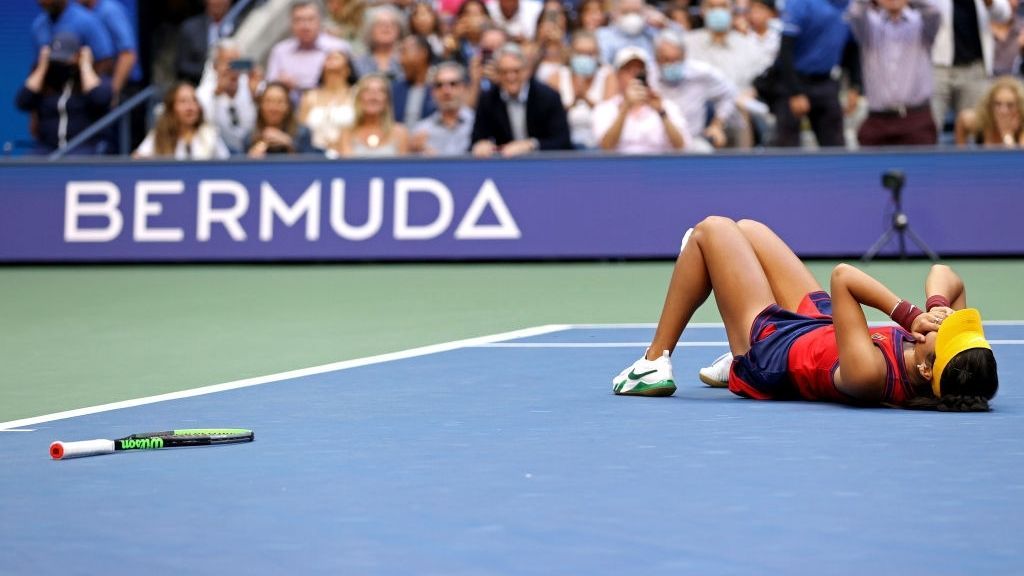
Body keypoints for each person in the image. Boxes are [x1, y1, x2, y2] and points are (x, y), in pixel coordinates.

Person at [611, 216, 998, 413]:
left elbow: (844, 277)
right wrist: (937, 306)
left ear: (929, 369)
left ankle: (653, 363)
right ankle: (705, 269)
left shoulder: (870, 374)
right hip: (822, 328)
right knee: (750, 229)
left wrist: (909, 314)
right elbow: (947, 276)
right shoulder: (939, 362)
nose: (945, 328)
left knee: (712, 230)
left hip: (774, 350)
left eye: (947, 335)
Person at [846, 0, 942, 146]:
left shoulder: (920, 25)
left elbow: (934, 11)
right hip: (877, 119)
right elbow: (855, 12)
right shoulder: (870, 26)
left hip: (916, 118)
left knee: (922, 167)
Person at [16, 33, 112, 155]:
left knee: (73, 163)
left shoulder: (93, 79)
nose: (61, 64)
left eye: (65, 59)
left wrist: (85, 66)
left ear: (78, 56)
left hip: (85, 146)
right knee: (26, 165)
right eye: (57, 59)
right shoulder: (45, 83)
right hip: (48, 147)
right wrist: (42, 66)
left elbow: (101, 99)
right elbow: (22, 102)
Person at [470, 42, 573, 156]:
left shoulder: (548, 97)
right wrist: (482, 144)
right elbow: (477, 139)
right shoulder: (488, 99)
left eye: (516, 71)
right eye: (505, 72)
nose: (511, 77)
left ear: (526, 71)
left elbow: (563, 141)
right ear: (497, 74)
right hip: (504, 166)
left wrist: (532, 145)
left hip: (542, 164)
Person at [592, 46, 689, 153]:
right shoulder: (605, 109)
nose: (635, 75)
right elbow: (606, 146)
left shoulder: (666, 106)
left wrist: (661, 112)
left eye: (640, 70)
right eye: (628, 70)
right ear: (618, 76)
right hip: (619, 167)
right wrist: (625, 107)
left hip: (658, 166)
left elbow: (681, 146)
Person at [266, 0, 352, 94]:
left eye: (310, 19)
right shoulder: (280, 51)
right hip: (290, 104)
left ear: (320, 21)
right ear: (291, 24)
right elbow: (270, 86)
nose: (305, 26)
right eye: (299, 20)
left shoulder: (338, 47)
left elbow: (352, 84)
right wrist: (280, 84)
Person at [134, 81, 230, 159]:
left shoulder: (210, 134)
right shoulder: (159, 135)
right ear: (171, 108)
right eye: (183, 101)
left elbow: (227, 164)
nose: (190, 107)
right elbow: (136, 159)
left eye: (194, 101)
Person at [195, 39, 260, 154]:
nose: (232, 69)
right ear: (215, 66)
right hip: (217, 155)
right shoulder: (204, 93)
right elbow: (200, 125)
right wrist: (216, 94)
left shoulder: (252, 85)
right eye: (227, 62)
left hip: (252, 152)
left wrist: (256, 97)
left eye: (236, 62)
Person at [336, 73, 409, 157]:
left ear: (387, 100)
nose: (373, 96)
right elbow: (344, 168)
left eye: (380, 91)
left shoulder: (400, 133)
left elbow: (404, 168)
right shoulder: (346, 133)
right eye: (367, 91)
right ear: (359, 98)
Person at [410, 61, 476, 155]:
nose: (446, 91)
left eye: (453, 84)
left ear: (463, 88)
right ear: (432, 92)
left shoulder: (479, 124)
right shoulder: (421, 130)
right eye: (439, 85)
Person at [298, 49, 357, 152]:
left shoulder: (357, 94)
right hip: (315, 156)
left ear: (348, 69)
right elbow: (302, 131)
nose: (331, 59)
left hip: (349, 153)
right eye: (328, 58)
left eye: (336, 57)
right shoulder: (309, 96)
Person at [246, 81, 316, 157]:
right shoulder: (250, 137)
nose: (273, 108)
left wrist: (290, 144)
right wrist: (251, 158)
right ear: (261, 106)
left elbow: (310, 164)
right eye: (268, 101)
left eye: (280, 102)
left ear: (288, 107)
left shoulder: (302, 134)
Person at [954, 75, 1024, 146]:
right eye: (997, 104)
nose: (1003, 111)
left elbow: (1016, 156)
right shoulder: (979, 121)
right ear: (989, 105)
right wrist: (962, 149)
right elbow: (963, 119)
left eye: (1010, 105)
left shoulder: (1022, 127)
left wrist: (1007, 135)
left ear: (1019, 106)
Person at [175, 0, 231, 86]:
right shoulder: (190, 28)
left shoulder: (243, 25)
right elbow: (181, 66)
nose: (218, 2)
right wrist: (211, 70)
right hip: (198, 86)